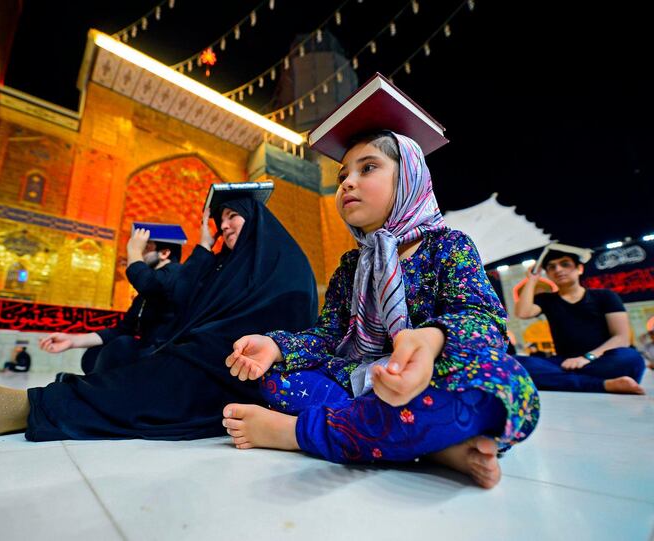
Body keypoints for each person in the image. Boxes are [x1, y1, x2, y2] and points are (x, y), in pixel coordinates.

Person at [221, 101, 539, 489]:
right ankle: (436, 447)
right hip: (360, 381)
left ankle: (295, 433)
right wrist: (275, 346)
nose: (348, 183)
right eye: (343, 176)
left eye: (367, 168)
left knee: (508, 384)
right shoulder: (352, 266)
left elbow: (483, 320)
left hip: (430, 382)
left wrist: (430, 340)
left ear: (409, 179)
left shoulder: (449, 246)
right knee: (274, 380)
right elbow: (329, 336)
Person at [0, 193, 319, 441]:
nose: (224, 225)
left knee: (167, 376)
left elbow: (287, 325)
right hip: (213, 356)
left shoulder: (283, 263)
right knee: (157, 366)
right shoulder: (230, 266)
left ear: (255, 218)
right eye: (220, 219)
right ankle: (49, 401)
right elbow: (185, 309)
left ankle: (35, 407)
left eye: (232, 216)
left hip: (249, 371)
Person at [41, 225, 184, 376]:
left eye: (145, 248)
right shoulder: (144, 296)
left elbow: (148, 283)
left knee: (123, 346)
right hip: (144, 358)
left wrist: (134, 251)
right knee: (94, 354)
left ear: (164, 253)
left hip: (164, 360)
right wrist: (72, 341)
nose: (140, 254)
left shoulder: (178, 274)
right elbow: (122, 329)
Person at [514, 247, 645, 394]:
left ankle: (567, 381)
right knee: (515, 363)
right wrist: (532, 279)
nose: (558, 269)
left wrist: (586, 358)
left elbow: (622, 337)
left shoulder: (605, 296)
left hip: (603, 359)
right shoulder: (546, 300)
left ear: (579, 269)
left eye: (565, 264)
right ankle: (604, 384)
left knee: (631, 358)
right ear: (548, 274)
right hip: (565, 362)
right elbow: (522, 313)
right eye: (552, 267)